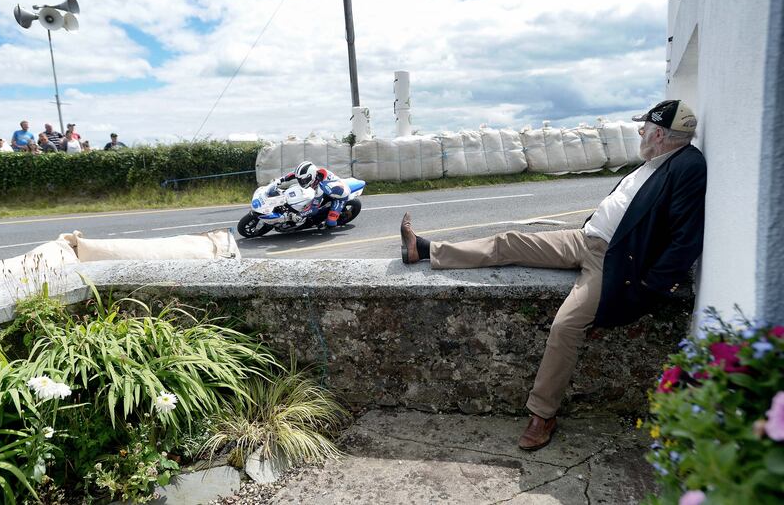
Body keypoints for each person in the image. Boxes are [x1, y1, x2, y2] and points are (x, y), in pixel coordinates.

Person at [399, 100, 706, 451]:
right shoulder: (656, 162)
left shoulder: (687, 166)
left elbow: (686, 240)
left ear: (658, 133)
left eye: (643, 130)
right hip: (585, 239)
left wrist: (649, 287)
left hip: (612, 262)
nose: (640, 134)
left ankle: (543, 415)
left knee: (566, 326)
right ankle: (423, 250)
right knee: (509, 241)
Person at [276, 161, 350, 227]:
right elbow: (294, 175)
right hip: (329, 190)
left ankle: (330, 221)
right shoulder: (313, 172)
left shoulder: (321, 187)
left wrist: (300, 215)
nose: (301, 182)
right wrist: (281, 180)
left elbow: (313, 209)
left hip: (340, 197)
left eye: (303, 180)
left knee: (330, 223)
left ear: (310, 177)